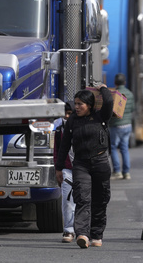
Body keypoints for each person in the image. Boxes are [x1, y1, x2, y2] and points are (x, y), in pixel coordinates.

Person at [55, 84, 113, 249]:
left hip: (101, 163)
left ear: (90, 105)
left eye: (81, 104)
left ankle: (96, 234)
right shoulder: (73, 120)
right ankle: (82, 234)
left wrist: (103, 88)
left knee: (100, 200)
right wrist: (59, 169)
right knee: (82, 198)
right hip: (81, 164)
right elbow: (64, 145)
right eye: (76, 103)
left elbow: (108, 101)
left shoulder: (101, 116)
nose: (77, 107)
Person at [53, 102, 75, 243]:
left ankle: (83, 230)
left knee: (83, 202)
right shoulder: (59, 129)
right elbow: (57, 151)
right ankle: (68, 230)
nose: (67, 116)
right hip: (67, 169)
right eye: (65, 113)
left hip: (84, 169)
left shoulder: (84, 125)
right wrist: (58, 169)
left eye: (70, 113)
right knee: (67, 200)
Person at [109, 73, 135, 180]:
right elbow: (132, 109)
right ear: (125, 82)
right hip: (127, 125)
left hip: (116, 125)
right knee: (125, 149)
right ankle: (126, 172)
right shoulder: (130, 94)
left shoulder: (115, 94)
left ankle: (117, 171)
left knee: (114, 148)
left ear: (115, 83)